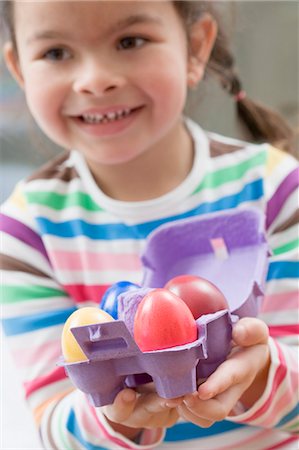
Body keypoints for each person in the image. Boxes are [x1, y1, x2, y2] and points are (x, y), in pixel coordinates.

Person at [0, 1, 298, 449]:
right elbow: (53, 428)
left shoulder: (275, 190)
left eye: (130, 41)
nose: (95, 79)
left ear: (195, 49)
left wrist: (259, 378)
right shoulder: (27, 232)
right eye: (57, 53)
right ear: (20, 69)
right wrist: (115, 417)